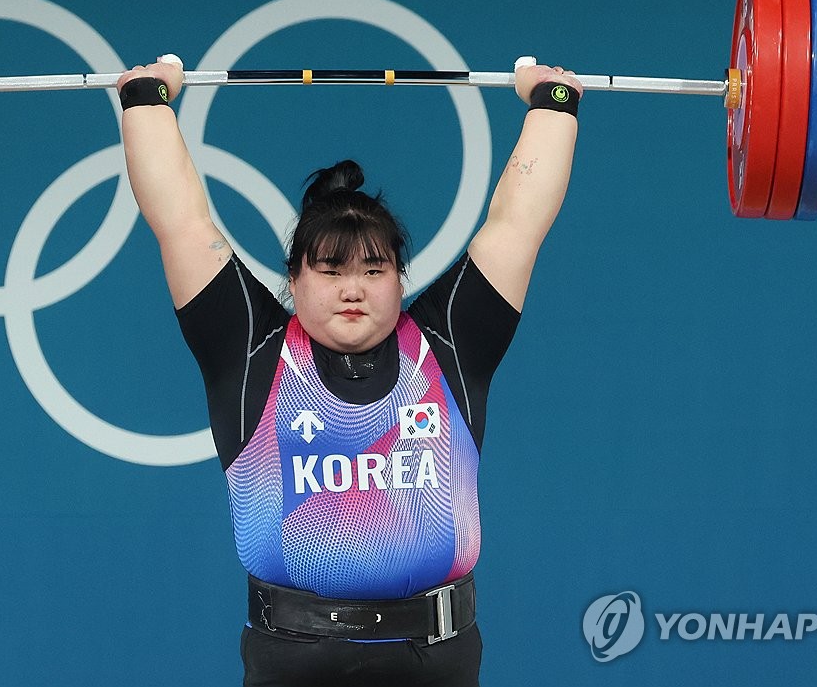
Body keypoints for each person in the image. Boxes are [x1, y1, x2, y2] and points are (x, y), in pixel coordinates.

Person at [117, 55, 581, 687]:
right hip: (293, 657)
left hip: (434, 658)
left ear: (400, 279)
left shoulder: (448, 343)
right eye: (330, 271)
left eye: (373, 270)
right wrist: (147, 103)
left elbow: (517, 226)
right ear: (295, 281)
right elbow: (182, 225)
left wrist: (553, 104)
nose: (352, 290)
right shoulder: (250, 347)